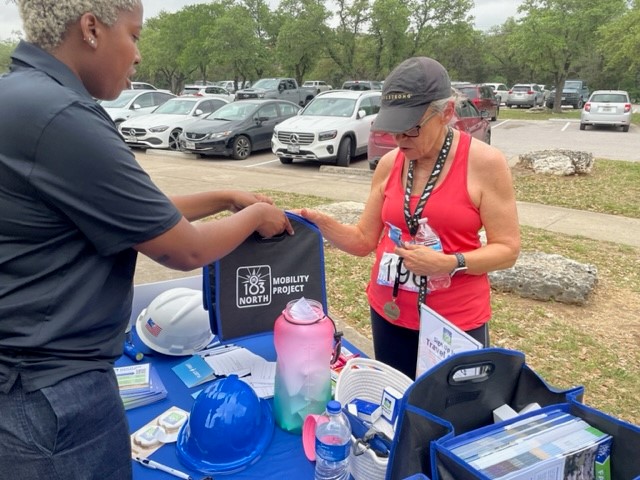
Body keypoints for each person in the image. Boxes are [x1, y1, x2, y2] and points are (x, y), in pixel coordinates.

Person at [0, 1, 293, 479]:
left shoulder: (21, 96)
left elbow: (138, 212)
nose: (137, 56)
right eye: (134, 36)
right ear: (91, 28)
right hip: (50, 392)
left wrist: (223, 195)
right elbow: (184, 249)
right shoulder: (63, 116)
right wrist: (258, 213)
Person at [298, 57, 520, 379]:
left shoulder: (485, 163)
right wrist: (320, 223)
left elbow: (508, 249)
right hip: (389, 312)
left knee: (446, 416)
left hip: (452, 322)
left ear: (446, 112)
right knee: (396, 405)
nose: (400, 141)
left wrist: (449, 263)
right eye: (393, 130)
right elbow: (363, 240)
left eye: (411, 129)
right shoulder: (390, 164)